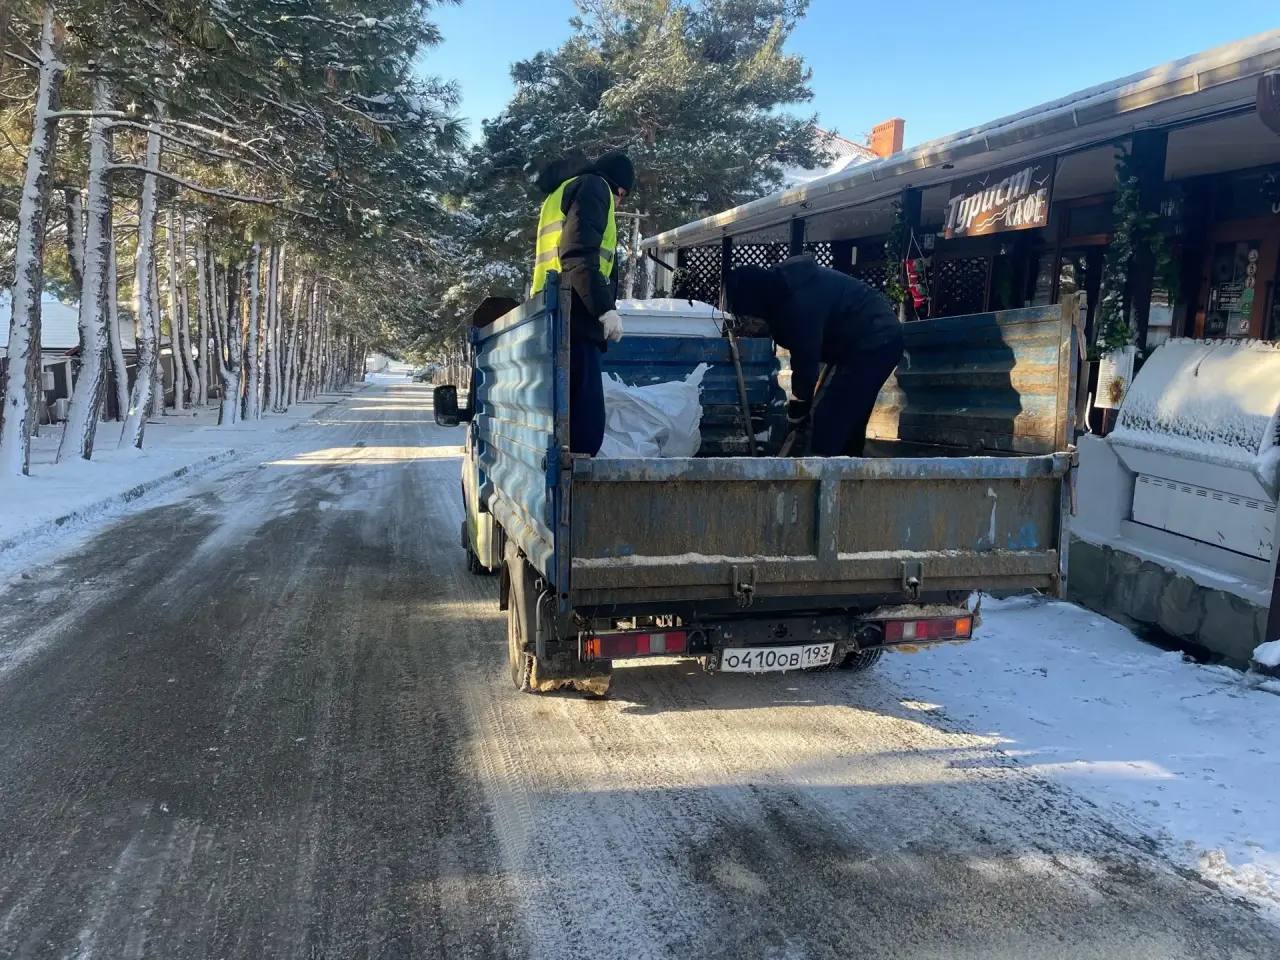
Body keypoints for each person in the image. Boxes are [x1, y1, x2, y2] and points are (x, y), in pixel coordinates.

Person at [725, 254, 904, 457]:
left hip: (877, 338)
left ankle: (822, 473)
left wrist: (797, 413)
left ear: (756, 304)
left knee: (830, 418)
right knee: (847, 421)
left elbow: (806, 365)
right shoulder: (782, 289)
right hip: (860, 340)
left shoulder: (799, 305)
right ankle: (847, 470)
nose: (749, 326)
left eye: (749, 318)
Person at [532, 151, 635, 456]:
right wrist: (604, 309)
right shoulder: (594, 187)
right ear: (618, 189)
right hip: (574, 318)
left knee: (561, 419)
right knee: (585, 427)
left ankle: (563, 474)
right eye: (622, 197)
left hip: (550, 312)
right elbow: (577, 253)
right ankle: (577, 480)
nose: (618, 205)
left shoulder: (562, 191)